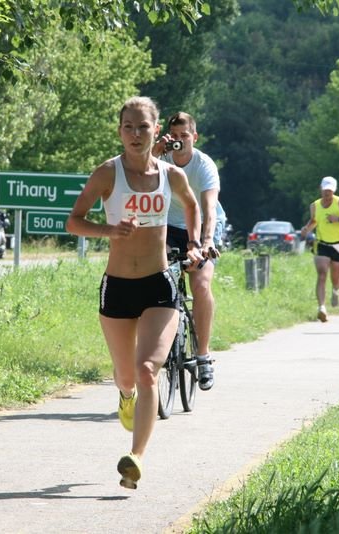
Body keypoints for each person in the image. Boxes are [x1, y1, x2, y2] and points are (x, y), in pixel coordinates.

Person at [66, 96, 202, 490]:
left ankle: (135, 457)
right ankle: (124, 395)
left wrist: (194, 243)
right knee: (126, 376)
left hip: (159, 284)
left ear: (156, 130)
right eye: (129, 127)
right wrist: (108, 230)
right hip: (118, 287)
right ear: (119, 131)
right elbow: (74, 222)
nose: (136, 134)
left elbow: (192, 206)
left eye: (144, 127)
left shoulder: (170, 176)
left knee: (148, 371)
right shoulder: (108, 174)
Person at [154, 111, 221, 391]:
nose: (179, 142)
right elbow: (136, 178)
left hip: (202, 225)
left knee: (201, 283)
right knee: (155, 279)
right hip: (166, 225)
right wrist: (154, 152)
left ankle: (203, 355)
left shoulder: (204, 165)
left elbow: (208, 209)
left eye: (185, 136)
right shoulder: (161, 158)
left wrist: (206, 243)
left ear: (194, 137)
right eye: (174, 137)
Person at [299, 176, 339, 322]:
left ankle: (336, 290)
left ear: (334, 190)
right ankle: (321, 308)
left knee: (336, 279)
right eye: (325, 190)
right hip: (321, 244)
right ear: (321, 189)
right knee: (321, 274)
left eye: (330, 191)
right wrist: (307, 229)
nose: (327, 194)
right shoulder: (315, 205)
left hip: (338, 245)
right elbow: (314, 220)